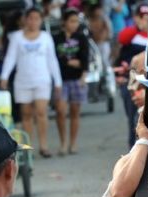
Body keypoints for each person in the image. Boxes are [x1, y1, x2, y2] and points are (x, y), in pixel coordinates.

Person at [0, 6, 63, 158]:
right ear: (25, 20)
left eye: (37, 18)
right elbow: (10, 58)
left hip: (42, 80)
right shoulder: (17, 37)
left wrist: (58, 81)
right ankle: (28, 148)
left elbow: (52, 60)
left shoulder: (45, 37)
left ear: (41, 20)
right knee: (26, 114)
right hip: (23, 81)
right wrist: (4, 76)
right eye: (30, 18)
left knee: (41, 112)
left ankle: (44, 146)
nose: (33, 21)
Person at [54, 8, 90, 156]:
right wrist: (70, 61)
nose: (75, 24)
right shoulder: (56, 38)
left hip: (77, 79)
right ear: (64, 22)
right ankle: (63, 143)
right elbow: (55, 58)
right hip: (61, 80)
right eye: (72, 21)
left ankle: (72, 143)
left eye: (76, 21)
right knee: (61, 111)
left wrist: (83, 75)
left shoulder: (81, 37)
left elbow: (84, 59)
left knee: (75, 112)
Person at [115, 2, 148, 148]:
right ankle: (133, 147)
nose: (145, 20)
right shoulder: (132, 33)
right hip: (131, 80)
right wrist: (138, 28)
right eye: (142, 17)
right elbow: (122, 38)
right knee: (133, 115)